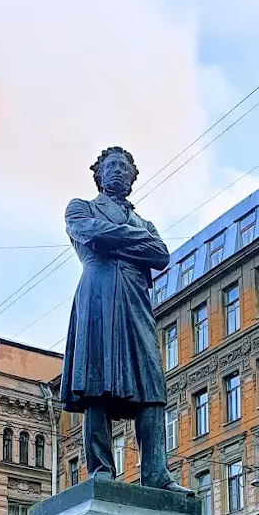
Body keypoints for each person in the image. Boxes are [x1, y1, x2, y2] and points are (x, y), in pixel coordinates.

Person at [60, 146, 188, 492]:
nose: (117, 171)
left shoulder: (144, 223)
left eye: (124, 167)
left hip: (135, 302)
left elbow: (160, 254)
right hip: (98, 299)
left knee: (151, 386)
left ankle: (157, 475)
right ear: (98, 174)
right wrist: (134, 243)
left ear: (132, 179)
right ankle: (100, 471)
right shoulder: (80, 208)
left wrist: (115, 241)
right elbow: (92, 235)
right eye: (110, 166)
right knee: (96, 384)